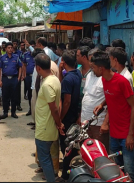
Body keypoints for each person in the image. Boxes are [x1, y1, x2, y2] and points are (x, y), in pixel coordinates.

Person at [91, 51, 134, 182]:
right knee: (117, 170)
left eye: (93, 67)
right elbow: (112, 95)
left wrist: (130, 135)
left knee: (130, 172)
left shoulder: (122, 81)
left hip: (126, 135)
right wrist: (102, 104)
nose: (92, 70)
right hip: (114, 134)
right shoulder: (104, 80)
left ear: (101, 68)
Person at [34, 53, 64, 183]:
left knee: (44, 159)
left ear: (38, 68)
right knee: (47, 158)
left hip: (45, 129)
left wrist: (59, 124)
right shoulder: (54, 79)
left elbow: (54, 108)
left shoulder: (47, 84)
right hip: (48, 127)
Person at [59, 50, 82, 181]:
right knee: (72, 147)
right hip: (74, 115)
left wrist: (60, 119)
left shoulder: (68, 79)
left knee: (66, 147)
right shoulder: (77, 74)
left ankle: (66, 175)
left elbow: (66, 101)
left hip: (67, 118)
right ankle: (71, 171)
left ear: (64, 62)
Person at [81, 48, 109, 150]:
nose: (91, 64)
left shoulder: (106, 78)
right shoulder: (89, 75)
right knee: (87, 150)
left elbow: (111, 102)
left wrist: (105, 123)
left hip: (98, 123)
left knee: (100, 151)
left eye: (93, 62)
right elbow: (85, 96)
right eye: (90, 61)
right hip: (85, 122)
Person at [0, 42, 22, 119]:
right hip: (5, 79)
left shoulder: (16, 57)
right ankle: (5, 112)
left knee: (14, 96)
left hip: (14, 79)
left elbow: (20, 67)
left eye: (11, 48)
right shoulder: (2, 58)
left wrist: (18, 77)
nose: (10, 49)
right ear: (5, 49)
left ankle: (13, 112)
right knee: (5, 96)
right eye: (8, 48)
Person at [23, 43, 35, 116]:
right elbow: (24, 65)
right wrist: (24, 75)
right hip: (28, 76)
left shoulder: (36, 56)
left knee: (34, 94)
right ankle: (30, 109)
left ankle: (34, 110)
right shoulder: (26, 55)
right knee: (29, 94)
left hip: (34, 77)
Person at [12, 39, 24, 111]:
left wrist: (22, 74)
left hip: (18, 73)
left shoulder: (20, 53)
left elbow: (22, 64)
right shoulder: (9, 53)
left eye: (16, 44)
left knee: (18, 90)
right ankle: (12, 104)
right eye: (13, 43)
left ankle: (18, 104)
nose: (15, 45)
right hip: (11, 73)